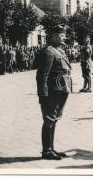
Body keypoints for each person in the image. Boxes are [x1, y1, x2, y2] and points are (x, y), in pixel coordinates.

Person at [36, 24, 72, 160]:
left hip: (62, 91)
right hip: (52, 93)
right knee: (49, 120)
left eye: (64, 34)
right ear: (53, 36)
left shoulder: (60, 51)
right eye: (61, 35)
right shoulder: (49, 52)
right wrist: (43, 95)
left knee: (55, 120)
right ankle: (46, 151)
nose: (64, 37)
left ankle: (51, 148)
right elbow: (42, 76)